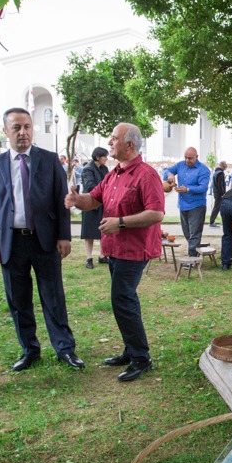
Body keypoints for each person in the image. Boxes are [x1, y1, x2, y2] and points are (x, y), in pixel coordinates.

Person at [0, 107, 85, 372]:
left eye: (27, 126)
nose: (23, 132)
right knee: (18, 300)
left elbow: (61, 201)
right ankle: (29, 349)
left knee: (53, 296)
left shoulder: (49, 160)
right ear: (6, 131)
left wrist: (64, 236)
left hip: (44, 240)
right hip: (11, 243)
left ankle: (65, 349)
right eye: (16, 127)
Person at [65, 123, 164, 382]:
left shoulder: (147, 175)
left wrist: (120, 223)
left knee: (122, 299)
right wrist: (77, 201)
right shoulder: (114, 174)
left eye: (113, 138)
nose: (109, 142)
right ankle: (132, 351)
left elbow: (156, 213)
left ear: (129, 144)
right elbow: (93, 199)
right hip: (115, 249)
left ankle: (141, 357)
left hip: (134, 249)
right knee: (124, 300)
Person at [162, 147, 210, 257]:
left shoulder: (203, 170)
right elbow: (166, 171)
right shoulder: (180, 165)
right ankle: (195, 251)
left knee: (194, 233)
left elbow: (203, 188)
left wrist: (188, 189)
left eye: (190, 158)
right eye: (186, 158)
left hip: (197, 205)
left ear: (197, 157)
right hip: (183, 205)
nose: (187, 160)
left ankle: (192, 258)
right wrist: (169, 174)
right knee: (187, 233)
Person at [79, 147, 110, 268]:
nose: (106, 158)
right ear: (97, 157)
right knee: (89, 233)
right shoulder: (88, 169)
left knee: (103, 229)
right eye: (105, 156)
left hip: (102, 203)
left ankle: (103, 256)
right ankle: (89, 258)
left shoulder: (104, 168)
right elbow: (90, 186)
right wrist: (105, 190)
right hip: (89, 203)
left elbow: (109, 182)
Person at [208, 160, 227, 227]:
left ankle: (221, 221)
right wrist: (223, 193)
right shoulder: (220, 173)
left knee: (219, 207)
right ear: (222, 165)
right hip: (219, 194)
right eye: (225, 165)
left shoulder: (216, 172)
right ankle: (212, 221)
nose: (226, 167)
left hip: (216, 192)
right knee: (217, 207)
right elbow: (220, 184)